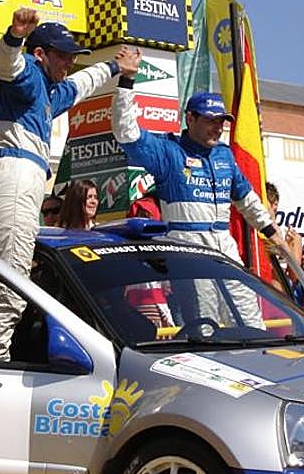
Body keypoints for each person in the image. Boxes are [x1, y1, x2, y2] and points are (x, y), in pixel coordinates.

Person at [0, 8, 119, 361]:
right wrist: (14, 35)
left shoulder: (48, 91)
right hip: (15, 183)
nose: (69, 64)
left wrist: (116, 66)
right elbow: (7, 65)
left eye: (72, 57)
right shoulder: (29, 73)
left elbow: (82, 84)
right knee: (10, 288)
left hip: (2, 183)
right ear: (40, 53)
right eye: (63, 56)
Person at [110, 49, 289, 327]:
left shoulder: (224, 155)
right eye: (209, 120)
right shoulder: (169, 152)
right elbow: (126, 133)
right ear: (190, 118)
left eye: (221, 122)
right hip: (188, 253)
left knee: (250, 320)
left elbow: (246, 199)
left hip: (225, 251)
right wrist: (127, 82)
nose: (217, 128)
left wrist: (271, 232)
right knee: (205, 325)